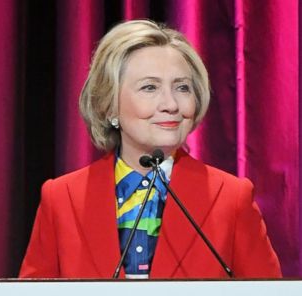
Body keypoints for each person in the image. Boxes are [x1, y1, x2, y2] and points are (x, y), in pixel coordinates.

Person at [19, 19, 282, 279]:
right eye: (149, 87)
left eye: (182, 87)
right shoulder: (61, 199)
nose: (171, 104)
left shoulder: (232, 198)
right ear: (109, 104)